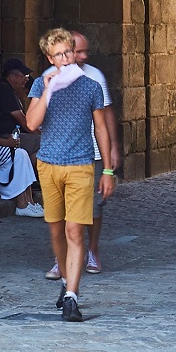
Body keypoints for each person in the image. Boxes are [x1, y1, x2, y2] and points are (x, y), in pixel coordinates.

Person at [26, 27, 115, 322]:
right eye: (59, 55)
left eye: (69, 52)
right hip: (49, 164)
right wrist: (49, 89)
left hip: (81, 165)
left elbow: (101, 127)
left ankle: (72, 296)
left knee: (74, 230)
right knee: (55, 230)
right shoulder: (41, 84)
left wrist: (107, 169)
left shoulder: (90, 86)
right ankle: (66, 281)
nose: (66, 59)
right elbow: (31, 123)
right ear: (50, 58)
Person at [70, 30, 118, 272]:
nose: (84, 56)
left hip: (93, 153)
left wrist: (112, 151)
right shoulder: (47, 79)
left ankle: (93, 249)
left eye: (85, 50)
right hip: (63, 156)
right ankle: (64, 255)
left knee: (94, 206)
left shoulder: (95, 77)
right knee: (64, 209)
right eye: (79, 51)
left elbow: (105, 117)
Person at [0, 57, 40, 214]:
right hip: (6, 137)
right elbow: (23, 120)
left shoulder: (11, 91)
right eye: (23, 77)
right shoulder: (4, 88)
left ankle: (29, 194)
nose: (25, 81)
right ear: (12, 77)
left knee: (39, 150)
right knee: (44, 143)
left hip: (13, 136)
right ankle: (26, 196)